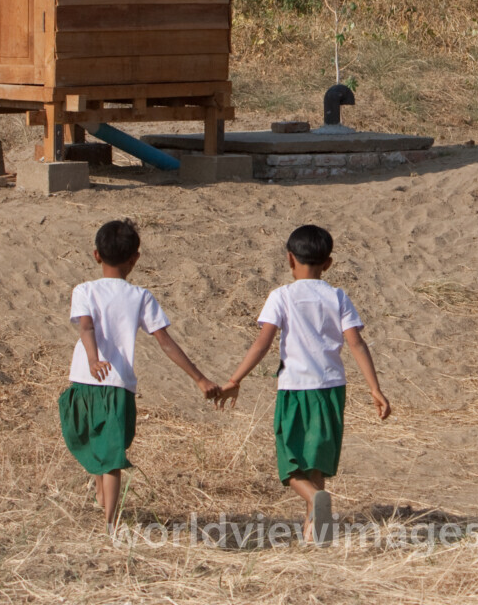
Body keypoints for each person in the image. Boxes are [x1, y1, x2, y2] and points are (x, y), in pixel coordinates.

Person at [217, 224, 390, 545]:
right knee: (317, 464)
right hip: (331, 390)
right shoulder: (337, 296)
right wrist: (375, 389)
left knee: (292, 464)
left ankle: (313, 501)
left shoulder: (281, 296)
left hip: (295, 390)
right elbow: (356, 344)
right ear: (328, 263)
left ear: (289, 259)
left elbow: (262, 343)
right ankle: (315, 536)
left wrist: (234, 379)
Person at [58, 218, 221, 533]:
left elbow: (86, 327)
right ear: (135, 259)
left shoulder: (84, 290)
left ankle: (107, 515)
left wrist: (92, 360)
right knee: (112, 454)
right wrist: (199, 378)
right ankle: (109, 518)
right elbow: (165, 342)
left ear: (95, 255)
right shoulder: (141, 296)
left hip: (83, 379)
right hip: (117, 386)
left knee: (98, 446)